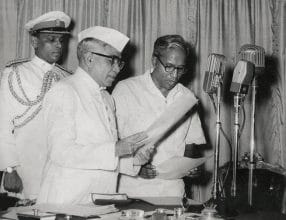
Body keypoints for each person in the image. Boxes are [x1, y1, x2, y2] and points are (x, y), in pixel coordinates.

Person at [37, 26, 152, 204]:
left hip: (99, 200)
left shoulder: (106, 98)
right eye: (111, 60)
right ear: (89, 58)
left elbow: (104, 159)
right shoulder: (65, 91)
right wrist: (115, 149)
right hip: (67, 202)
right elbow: (61, 153)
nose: (117, 68)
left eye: (119, 62)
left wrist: (135, 160)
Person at [0, 11, 72, 200]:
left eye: (61, 40)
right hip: (25, 169)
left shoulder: (68, 78)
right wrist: (9, 168)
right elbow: (1, 124)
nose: (58, 45)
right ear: (35, 42)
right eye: (51, 39)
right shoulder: (15, 73)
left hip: (59, 170)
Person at [112, 35, 206, 197]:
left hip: (173, 193)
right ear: (154, 60)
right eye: (169, 66)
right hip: (132, 190)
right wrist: (135, 166)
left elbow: (191, 143)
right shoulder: (126, 90)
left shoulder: (186, 97)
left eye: (180, 68)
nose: (174, 75)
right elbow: (110, 142)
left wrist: (190, 166)